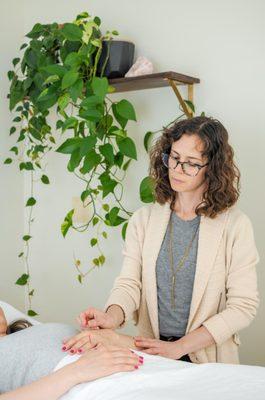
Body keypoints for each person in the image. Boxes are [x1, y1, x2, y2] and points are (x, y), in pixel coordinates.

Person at [71, 116, 260, 364]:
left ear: (212, 168)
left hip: (207, 358)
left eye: (191, 163)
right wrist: (112, 317)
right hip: (153, 353)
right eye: (174, 157)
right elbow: (129, 284)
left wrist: (180, 347)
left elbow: (243, 307)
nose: (177, 169)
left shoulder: (236, 225)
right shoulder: (144, 219)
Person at [0, 306, 143, 399]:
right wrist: (75, 372)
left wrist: (112, 338)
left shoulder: (29, 332)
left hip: (135, 364)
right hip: (96, 386)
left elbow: (142, 346)